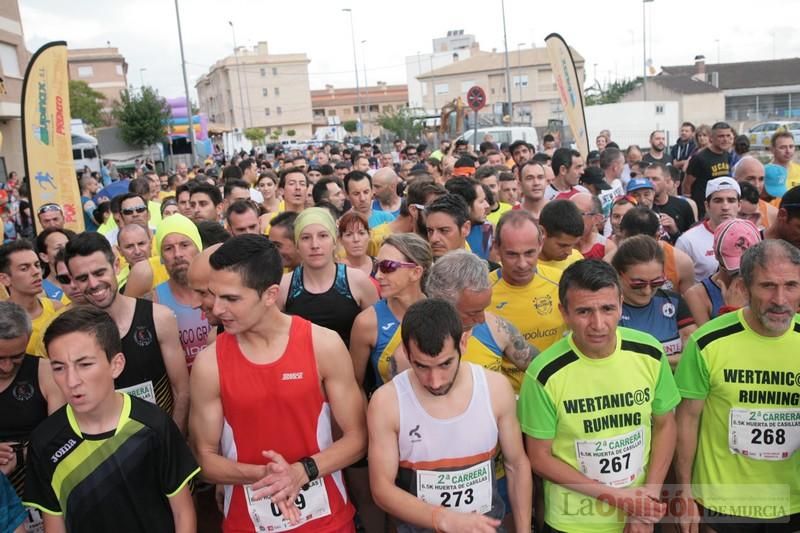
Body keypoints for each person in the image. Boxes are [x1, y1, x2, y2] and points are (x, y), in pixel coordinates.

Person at [190, 234, 366, 532]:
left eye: (231, 298)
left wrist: (301, 472)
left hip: (328, 521)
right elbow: (204, 459)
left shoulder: (322, 345)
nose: (217, 309)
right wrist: (266, 475)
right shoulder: (209, 364)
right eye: (214, 295)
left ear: (271, 294)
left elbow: (357, 439)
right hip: (247, 522)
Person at [519, 259, 680, 533]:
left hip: (639, 515)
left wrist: (647, 500)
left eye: (607, 309)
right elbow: (539, 457)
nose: (598, 324)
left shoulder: (650, 353)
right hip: (574, 521)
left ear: (620, 303)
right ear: (564, 313)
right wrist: (624, 501)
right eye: (584, 311)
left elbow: (665, 424)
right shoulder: (543, 373)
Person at [24, 306, 199, 532]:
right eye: (59, 368)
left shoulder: (153, 424)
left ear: (116, 364)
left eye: (85, 364)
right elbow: (54, 523)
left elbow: (182, 512)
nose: (71, 380)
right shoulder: (44, 441)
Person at [367, 298, 532, 533]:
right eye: (422, 366)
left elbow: (516, 464)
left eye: (445, 364)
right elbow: (382, 489)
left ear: (463, 342)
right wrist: (443, 519)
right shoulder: (387, 401)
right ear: (405, 351)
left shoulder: (495, 388)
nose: (435, 381)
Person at [675, 239, 800, 531]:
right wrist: (684, 491)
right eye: (767, 286)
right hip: (724, 504)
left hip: (793, 500)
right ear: (744, 287)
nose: (780, 299)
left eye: (792, 286)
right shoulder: (707, 342)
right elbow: (687, 421)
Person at [64, 233, 190, 431]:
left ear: (115, 266)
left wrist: (173, 440)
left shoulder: (158, 317)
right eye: (82, 278)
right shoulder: (69, 334)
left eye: (99, 273)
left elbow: (181, 390)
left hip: (161, 437)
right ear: (73, 281)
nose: (93, 284)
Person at [0, 301, 63, 531]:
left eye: (16, 357)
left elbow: (60, 435)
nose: (7, 367)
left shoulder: (44, 371)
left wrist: (19, 454)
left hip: (41, 483)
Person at [279, 207, 378, 347]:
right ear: (297, 245)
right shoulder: (284, 286)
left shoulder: (358, 281)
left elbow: (377, 336)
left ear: (334, 242)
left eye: (323, 236)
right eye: (306, 238)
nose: (315, 245)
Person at [350, 233, 432, 390]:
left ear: (416, 272)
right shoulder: (367, 323)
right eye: (376, 266)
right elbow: (355, 386)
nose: (378, 275)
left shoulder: (440, 314)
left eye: (388, 267)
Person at [490, 210, 565, 363]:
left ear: (541, 244)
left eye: (529, 253)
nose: (522, 264)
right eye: (512, 254)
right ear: (497, 248)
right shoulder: (482, 292)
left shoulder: (561, 282)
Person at [612, 235, 696, 367]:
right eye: (638, 284)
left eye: (657, 282)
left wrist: (648, 360)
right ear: (618, 274)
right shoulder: (607, 309)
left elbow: (694, 355)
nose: (647, 291)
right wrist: (671, 360)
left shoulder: (673, 301)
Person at [152, 214, 211, 369]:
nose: (177, 254)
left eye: (185, 245)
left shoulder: (220, 290)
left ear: (198, 248)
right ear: (162, 258)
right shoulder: (154, 300)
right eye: (168, 248)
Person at [684, 218, 761, 327]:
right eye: (733, 267)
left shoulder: (767, 287)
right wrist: (731, 310)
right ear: (716, 254)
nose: (740, 273)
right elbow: (707, 342)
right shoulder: (697, 295)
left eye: (746, 266)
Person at [0, 240, 62, 357]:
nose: (36, 272)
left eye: (37, 265)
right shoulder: (2, 318)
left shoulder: (57, 309)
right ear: (4, 279)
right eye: (24, 268)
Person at [677, 177, 742, 282]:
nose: (725, 207)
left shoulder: (753, 235)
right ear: (707, 206)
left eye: (731, 200)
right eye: (718, 200)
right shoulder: (687, 241)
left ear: (739, 205)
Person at [684, 122, 734, 219]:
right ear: (712, 138)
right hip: (703, 209)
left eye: (728, 136)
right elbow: (687, 185)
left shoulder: (727, 155)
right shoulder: (699, 158)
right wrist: (690, 208)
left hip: (722, 206)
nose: (725, 139)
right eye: (721, 136)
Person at [445, 177, 492, 260]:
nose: (487, 205)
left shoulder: (487, 229)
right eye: (481, 201)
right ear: (466, 206)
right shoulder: (444, 237)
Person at [647, 162, 696, 241]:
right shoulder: (640, 208)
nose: (650, 182)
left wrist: (675, 231)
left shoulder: (683, 205)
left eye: (655, 179)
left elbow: (692, 240)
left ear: (667, 181)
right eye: (647, 179)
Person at [538, 199, 585, 271]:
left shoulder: (576, 260)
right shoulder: (523, 267)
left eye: (573, 245)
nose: (569, 252)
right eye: (563, 245)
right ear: (542, 233)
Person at [423, 194, 473, 260]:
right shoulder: (418, 267)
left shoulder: (485, 270)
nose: (433, 239)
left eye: (444, 230)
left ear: (465, 228)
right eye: (430, 231)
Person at [734, 157, 777, 229]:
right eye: (750, 179)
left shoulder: (773, 213)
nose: (757, 185)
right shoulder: (721, 210)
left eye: (761, 179)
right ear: (735, 180)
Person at [571, 193, 617, 260]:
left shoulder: (607, 248)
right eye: (568, 211)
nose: (570, 217)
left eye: (578, 213)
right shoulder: (557, 242)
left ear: (597, 219)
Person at [34, 228, 74, 304]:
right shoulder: (40, 291)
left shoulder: (84, 280)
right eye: (58, 248)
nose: (65, 250)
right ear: (44, 257)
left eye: (68, 245)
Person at [338, 211, 376, 278]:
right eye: (349, 235)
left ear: (369, 235)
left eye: (361, 233)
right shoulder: (335, 271)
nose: (356, 239)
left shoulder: (380, 266)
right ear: (340, 240)